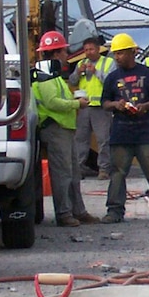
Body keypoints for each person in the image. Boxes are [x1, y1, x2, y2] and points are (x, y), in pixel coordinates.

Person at [100, 32, 149, 224]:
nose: (117, 57)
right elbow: (104, 102)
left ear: (131, 52)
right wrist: (116, 105)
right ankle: (114, 211)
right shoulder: (112, 78)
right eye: (115, 54)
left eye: (120, 53)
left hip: (144, 133)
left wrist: (146, 106)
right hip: (121, 134)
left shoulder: (148, 74)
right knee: (118, 173)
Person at [32, 30, 99, 227]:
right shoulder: (45, 76)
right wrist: (77, 104)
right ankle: (64, 213)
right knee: (62, 174)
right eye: (63, 52)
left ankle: (78, 211)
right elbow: (52, 102)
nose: (65, 55)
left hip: (64, 128)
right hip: (55, 128)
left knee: (73, 173)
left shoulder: (53, 75)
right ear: (56, 53)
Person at [68, 36, 115, 180]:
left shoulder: (108, 62)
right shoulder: (81, 63)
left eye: (91, 49)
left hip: (101, 108)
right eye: (86, 50)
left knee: (103, 140)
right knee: (80, 139)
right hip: (84, 107)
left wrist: (96, 72)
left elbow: (110, 81)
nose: (88, 52)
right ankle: (79, 168)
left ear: (98, 49)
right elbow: (72, 81)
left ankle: (104, 169)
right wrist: (78, 72)